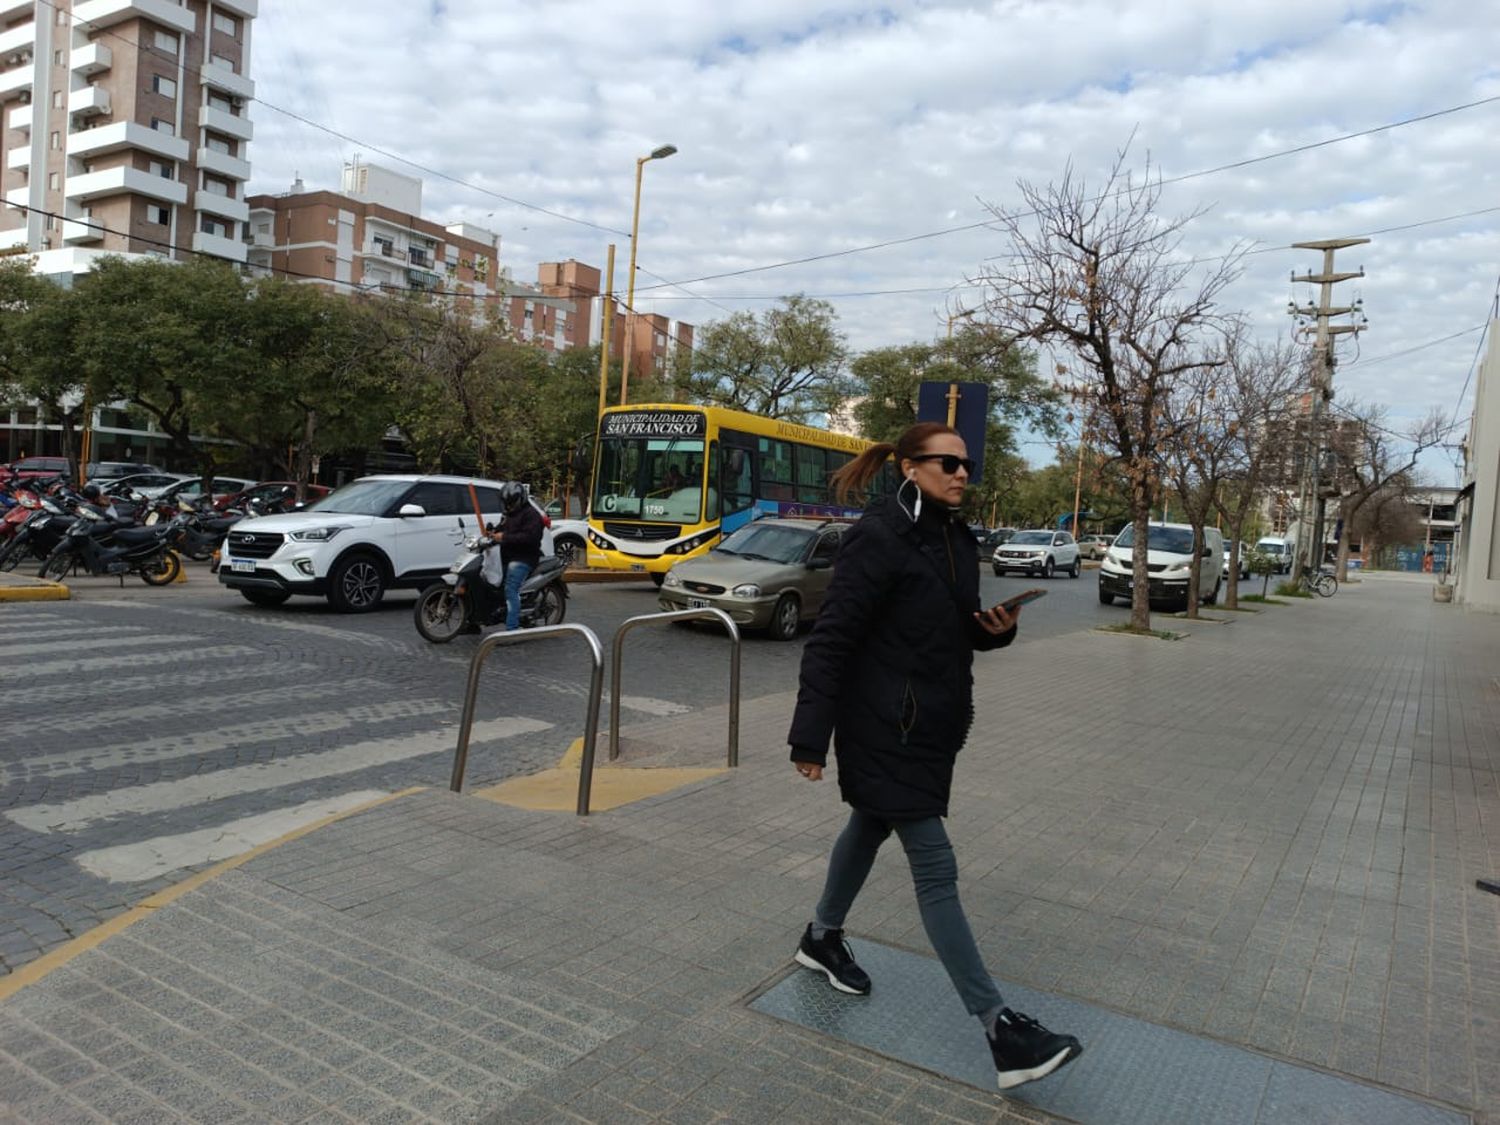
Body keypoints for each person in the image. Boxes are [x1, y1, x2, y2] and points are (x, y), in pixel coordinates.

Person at [787, 421, 1083, 1093]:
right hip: (880, 725)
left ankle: (820, 936)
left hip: (927, 725)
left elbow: (945, 632)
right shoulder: (877, 536)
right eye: (947, 463)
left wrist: (991, 633)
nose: (961, 473)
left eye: (966, 463)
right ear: (909, 467)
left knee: (868, 823)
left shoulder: (954, 537)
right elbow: (831, 639)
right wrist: (810, 737)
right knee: (935, 865)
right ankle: (999, 1028)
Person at [486, 483, 543, 630]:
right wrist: (492, 533)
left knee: (510, 589)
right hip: (507, 555)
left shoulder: (532, 515)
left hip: (523, 557)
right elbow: (501, 528)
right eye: (506, 503)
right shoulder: (509, 514)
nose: (508, 506)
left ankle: (512, 629)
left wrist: (504, 537)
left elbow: (529, 537)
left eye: (511, 502)